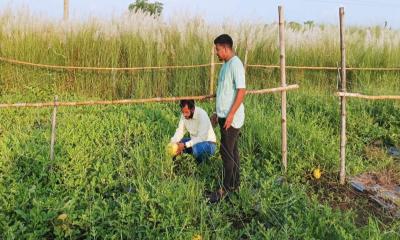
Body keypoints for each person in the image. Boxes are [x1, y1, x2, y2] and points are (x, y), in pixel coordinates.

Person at [209, 34, 246, 203]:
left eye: (217, 49)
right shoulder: (225, 66)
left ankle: (225, 188)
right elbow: (225, 93)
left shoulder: (236, 64)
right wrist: (218, 113)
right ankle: (235, 185)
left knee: (226, 153)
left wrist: (230, 114)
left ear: (225, 48)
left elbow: (241, 91)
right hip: (225, 116)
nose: (216, 52)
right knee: (232, 152)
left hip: (233, 118)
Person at [170, 99, 217, 164]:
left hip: (208, 144)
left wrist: (185, 145)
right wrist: (173, 142)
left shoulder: (202, 115)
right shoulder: (184, 116)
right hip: (193, 142)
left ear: (192, 109)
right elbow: (180, 131)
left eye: (186, 112)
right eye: (182, 112)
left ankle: (200, 164)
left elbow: (201, 138)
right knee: (177, 144)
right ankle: (179, 163)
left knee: (196, 148)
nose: (184, 115)